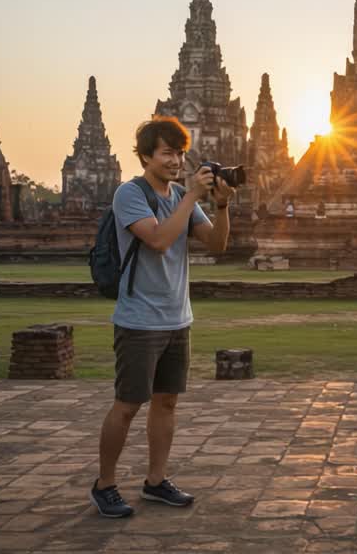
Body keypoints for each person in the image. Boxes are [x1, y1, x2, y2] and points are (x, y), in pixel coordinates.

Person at [90, 116, 234, 518]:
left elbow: (217, 244)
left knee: (166, 402)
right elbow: (156, 239)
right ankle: (104, 484)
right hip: (139, 319)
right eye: (168, 152)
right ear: (146, 156)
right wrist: (190, 197)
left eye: (181, 153)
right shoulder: (130, 194)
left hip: (176, 316)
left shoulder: (178, 196)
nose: (177, 160)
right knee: (128, 404)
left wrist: (221, 204)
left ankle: (156, 480)